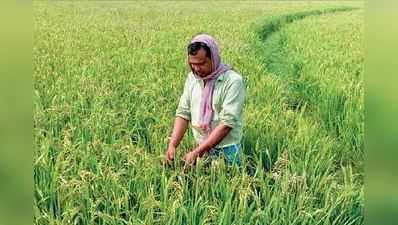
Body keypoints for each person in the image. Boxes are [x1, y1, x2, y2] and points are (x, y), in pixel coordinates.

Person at [164, 33, 245, 166]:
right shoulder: (192, 79)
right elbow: (183, 113)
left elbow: (227, 124)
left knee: (228, 182)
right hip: (200, 146)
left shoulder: (232, 81)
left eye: (201, 63)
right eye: (192, 64)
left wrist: (197, 153)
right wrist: (173, 144)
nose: (196, 69)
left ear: (213, 58)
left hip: (227, 149)